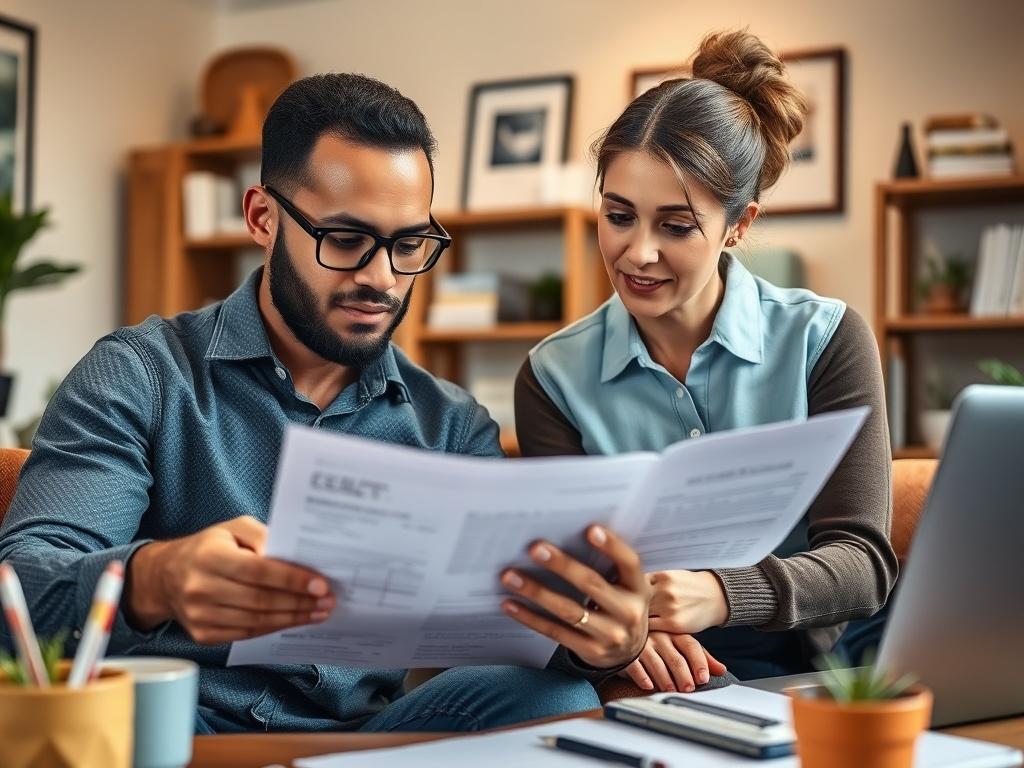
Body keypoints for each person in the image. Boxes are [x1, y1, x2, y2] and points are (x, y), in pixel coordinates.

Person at [0, 73, 652, 733]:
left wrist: (599, 640)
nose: (382, 278)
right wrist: (152, 579)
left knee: (559, 700)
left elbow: (506, 632)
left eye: (408, 245)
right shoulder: (141, 375)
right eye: (345, 239)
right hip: (180, 728)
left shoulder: (450, 427)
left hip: (362, 740)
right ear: (262, 217)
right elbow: (17, 591)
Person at [515, 30, 898, 690]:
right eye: (619, 215)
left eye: (676, 224)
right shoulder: (553, 377)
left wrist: (720, 594)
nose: (637, 253)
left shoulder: (826, 339)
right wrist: (612, 641)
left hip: (814, 667)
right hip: (648, 676)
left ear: (739, 224)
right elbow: (567, 580)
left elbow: (863, 563)